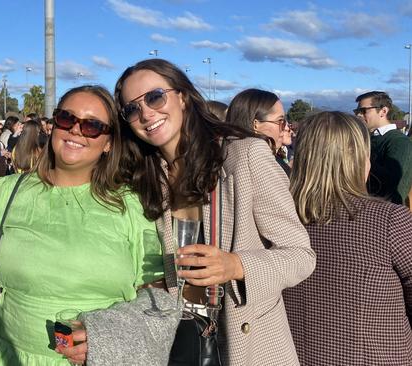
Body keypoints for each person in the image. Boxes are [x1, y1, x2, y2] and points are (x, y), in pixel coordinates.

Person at [114, 59, 314, 365]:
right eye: (132, 109)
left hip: (245, 343)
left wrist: (236, 265)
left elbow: (301, 255)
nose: (146, 113)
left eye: (155, 97)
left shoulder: (243, 155)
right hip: (175, 341)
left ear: (182, 96)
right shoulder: (145, 173)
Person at [0, 85, 164, 365]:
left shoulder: (131, 204)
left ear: (108, 143)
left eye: (92, 126)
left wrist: (108, 336)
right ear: (54, 125)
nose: (76, 131)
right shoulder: (5, 192)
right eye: (67, 119)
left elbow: (156, 293)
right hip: (11, 357)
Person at [284, 111, 412, 365]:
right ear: (359, 160)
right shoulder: (389, 220)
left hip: (293, 356)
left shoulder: (280, 217)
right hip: (375, 356)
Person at [355, 91, 412, 205]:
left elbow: (392, 181)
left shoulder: (399, 141)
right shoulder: (367, 138)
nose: (358, 115)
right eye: (357, 111)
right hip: (365, 205)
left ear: (383, 111)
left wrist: (358, 158)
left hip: (387, 212)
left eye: (363, 111)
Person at [226, 88, 293, 175]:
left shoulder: (228, 155)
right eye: (280, 121)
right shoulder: (257, 162)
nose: (285, 128)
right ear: (255, 125)